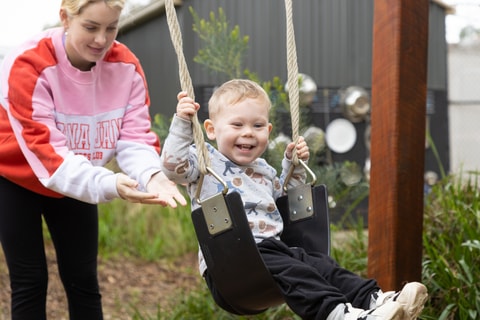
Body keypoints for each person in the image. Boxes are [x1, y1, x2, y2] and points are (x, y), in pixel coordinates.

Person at [160, 79, 428, 320]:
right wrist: (183, 125)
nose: (248, 133)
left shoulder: (264, 171)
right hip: (231, 263)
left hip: (273, 253)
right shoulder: (205, 163)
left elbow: (287, 206)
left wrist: (294, 166)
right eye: (237, 124)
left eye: (257, 125)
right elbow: (172, 166)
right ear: (210, 129)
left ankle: (376, 301)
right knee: (295, 270)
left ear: (269, 129)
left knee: (320, 264)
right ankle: (340, 316)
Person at [0, 0, 187, 319]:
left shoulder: (126, 67)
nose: (102, 39)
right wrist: (111, 184)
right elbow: (51, 159)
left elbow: (135, 138)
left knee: (83, 279)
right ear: (65, 18)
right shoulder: (26, 64)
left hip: (81, 176)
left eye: (111, 28)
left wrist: (152, 176)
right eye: (90, 27)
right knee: (30, 281)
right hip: (17, 178)